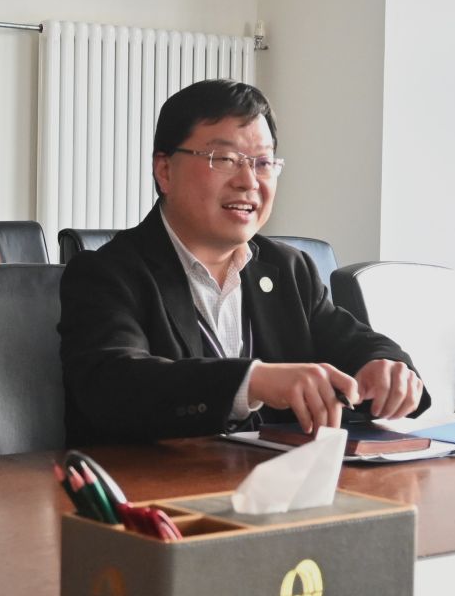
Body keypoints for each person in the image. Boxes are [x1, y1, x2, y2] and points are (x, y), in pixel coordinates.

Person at [58, 79, 427, 444]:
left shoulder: (288, 269)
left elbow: (356, 343)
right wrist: (251, 381)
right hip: (159, 480)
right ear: (165, 171)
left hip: (280, 478)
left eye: (263, 163)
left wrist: (386, 369)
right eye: (225, 159)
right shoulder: (106, 273)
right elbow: (114, 385)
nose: (249, 181)